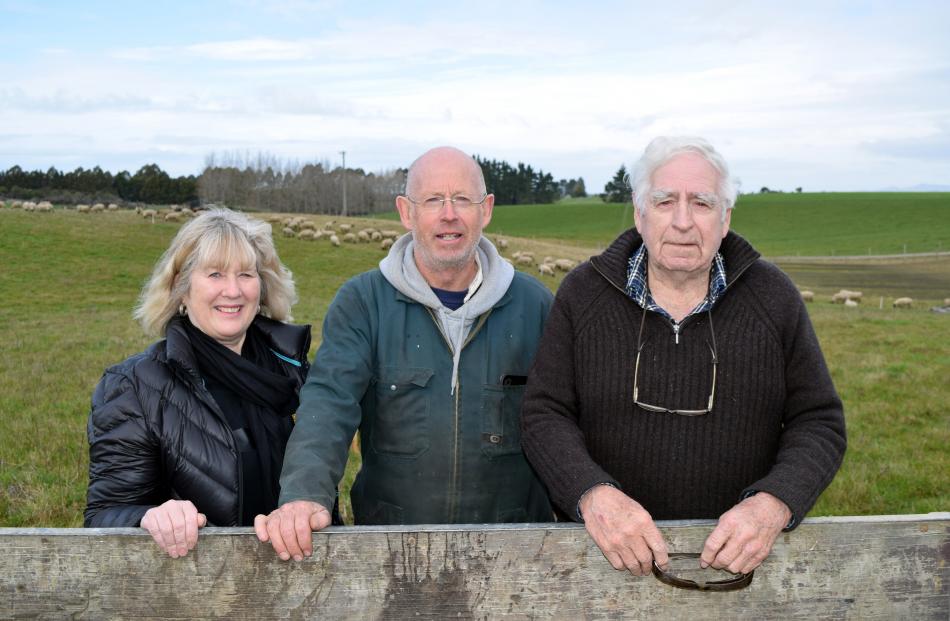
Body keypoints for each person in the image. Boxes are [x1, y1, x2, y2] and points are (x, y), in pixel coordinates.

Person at [521, 136, 847, 577]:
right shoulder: (584, 294)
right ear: (639, 214)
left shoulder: (774, 299)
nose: (682, 221)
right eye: (664, 201)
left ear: (725, 218)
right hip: (602, 560)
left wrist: (774, 503)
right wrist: (591, 495)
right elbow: (544, 413)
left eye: (701, 203)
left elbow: (820, 421)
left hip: (739, 568)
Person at [255, 146, 554, 561]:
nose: (448, 214)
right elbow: (329, 402)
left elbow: (565, 417)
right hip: (392, 553)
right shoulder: (364, 302)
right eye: (432, 200)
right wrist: (305, 494)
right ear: (405, 212)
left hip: (514, 554)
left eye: (462, 199)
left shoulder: (535, 306)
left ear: (485, 210)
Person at [85, 208, 324, 558]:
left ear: (261, 286)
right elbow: (104, 515)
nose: (232, 290)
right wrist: (149, 517)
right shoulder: (134, 387)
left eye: (245, 274)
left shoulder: (297, 375)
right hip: (196, 592)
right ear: (182, 289)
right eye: (215, 274)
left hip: (309, 581)